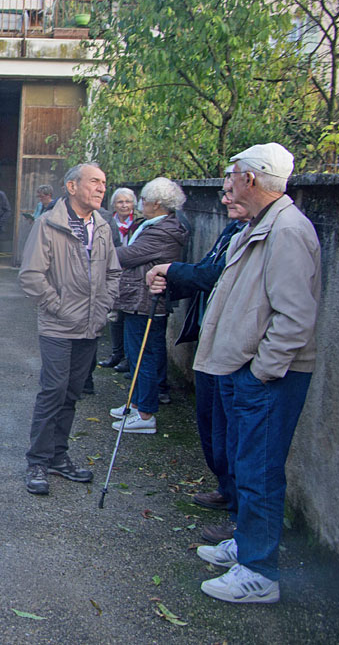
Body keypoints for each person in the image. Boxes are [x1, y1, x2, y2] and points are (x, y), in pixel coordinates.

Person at [183, 144, 319, 604]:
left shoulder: (287, 230)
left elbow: (295, 318)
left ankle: (259, 572)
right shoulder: (261, 224)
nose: (229, 182)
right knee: (246, 464)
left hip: (268, 375)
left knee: (259, 471)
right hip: (247, 370)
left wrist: (260, 372)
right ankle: (246, 545)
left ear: (252, 179)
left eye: (234, 174)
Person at [145, 187, 248, 545]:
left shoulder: (267, 233)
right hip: (210, 338)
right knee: (210, 423)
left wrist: (170, 270)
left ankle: (239, 513)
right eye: (224, 191)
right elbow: (205, 272)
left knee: (231, 432)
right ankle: (225, 488)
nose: (225, 199)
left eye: (232, 191)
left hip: (233, 346)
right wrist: (171, 284)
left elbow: (211, 274)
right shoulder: (233, 229)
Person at [19, 162, 120, 495]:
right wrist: (59, 307)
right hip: (58, 327)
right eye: (94, 181)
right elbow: (31, 276)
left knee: (72, 394)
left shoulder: (102, 226)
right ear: (72, 187)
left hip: (91, 326)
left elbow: (113, 273)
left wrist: (103, 307)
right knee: (53, 391)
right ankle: (37, 461)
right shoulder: (49, 224)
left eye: (103, 182)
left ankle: (58, 457)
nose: (101, 188)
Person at [107, 177, 188, 435]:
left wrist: (98, 250)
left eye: (144, 199)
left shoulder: (162, 231)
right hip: (138, 298)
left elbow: (128, 255)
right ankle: (136, 404)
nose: (140, 203)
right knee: (136, 354)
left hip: (146, 301)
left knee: (144, 356)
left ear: (157, 203)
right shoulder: (154, 224)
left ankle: (145, 413)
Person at [98, 187, 138, 371]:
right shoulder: (107, 220)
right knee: (114, 315)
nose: (124, 205)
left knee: (127, 315)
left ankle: (128, 359)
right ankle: (116, 354)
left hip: (132, 272)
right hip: (112, 270)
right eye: (120, 202)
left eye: (128, 202)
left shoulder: (139, 223)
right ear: (114, 204)